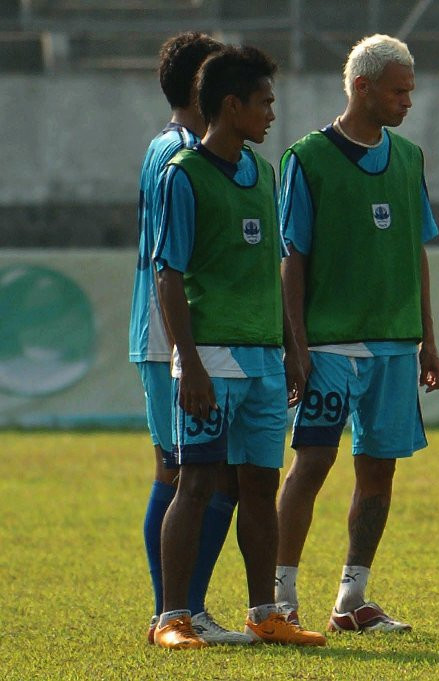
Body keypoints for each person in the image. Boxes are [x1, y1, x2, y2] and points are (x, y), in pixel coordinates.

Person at [152, 44, 326, 649]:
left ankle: (265, 613)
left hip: (264, 359)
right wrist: (190, 362)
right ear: (233, 105)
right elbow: (168, 274)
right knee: (195, 484)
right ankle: (171, 619)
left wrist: (292, 346)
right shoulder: (184, 175)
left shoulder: (265, 174)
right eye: (265, 102)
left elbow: (274, 268)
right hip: (212, 359)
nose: (273, 114)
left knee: (259, 485)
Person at [273, 34, 439, 635]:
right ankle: (280, 597)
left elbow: (416, 253)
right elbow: (291, 257)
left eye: (410, 91)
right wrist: (296, 345)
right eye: (399, 91)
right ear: (362, 87)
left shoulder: (410, 157)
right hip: (328, 346)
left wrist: (429, 338)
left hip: (396, 346)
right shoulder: (306, 158)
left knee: (380, 472)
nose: (408, 101)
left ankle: (352, 598)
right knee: (312, 463)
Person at [128, 31, 252, 646]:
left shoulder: (166, 145)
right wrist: (186, 348)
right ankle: (174, 612)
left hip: (172, 334)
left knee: (185, 469)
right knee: (188, 471)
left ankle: (180, 611)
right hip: (174, 335)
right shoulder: (182, 152)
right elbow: (169, 261)